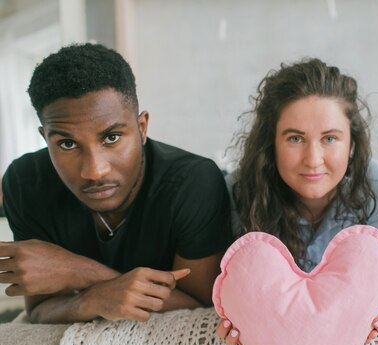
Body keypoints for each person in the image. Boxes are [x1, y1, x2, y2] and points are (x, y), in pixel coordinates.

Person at [0, 43, 231, 323]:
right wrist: (91, 300)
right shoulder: (26, 183)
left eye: (111, 138)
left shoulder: (193, 183)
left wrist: (79, 272)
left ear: (141, 127)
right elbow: (38, 311)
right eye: (67, 144)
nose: (95, 171)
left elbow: (201, 311)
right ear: (44, 137)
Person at [216, 58, 378, 345]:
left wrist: (375, 312)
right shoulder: (236, 193)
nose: (313, 159)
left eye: (329, 138)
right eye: (295, 138)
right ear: (270, 143)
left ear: (352, 143)